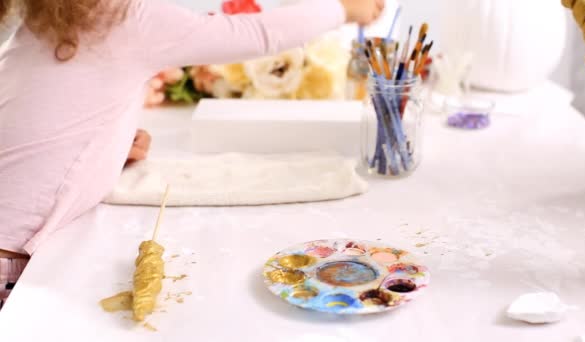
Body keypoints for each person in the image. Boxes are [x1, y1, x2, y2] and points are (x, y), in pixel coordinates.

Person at [0, 0, 385, 309]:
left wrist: (111, 145)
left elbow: (45, 125)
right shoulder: (126, 17)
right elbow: (256, 33)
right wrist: (346, 9)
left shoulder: (39, 19)